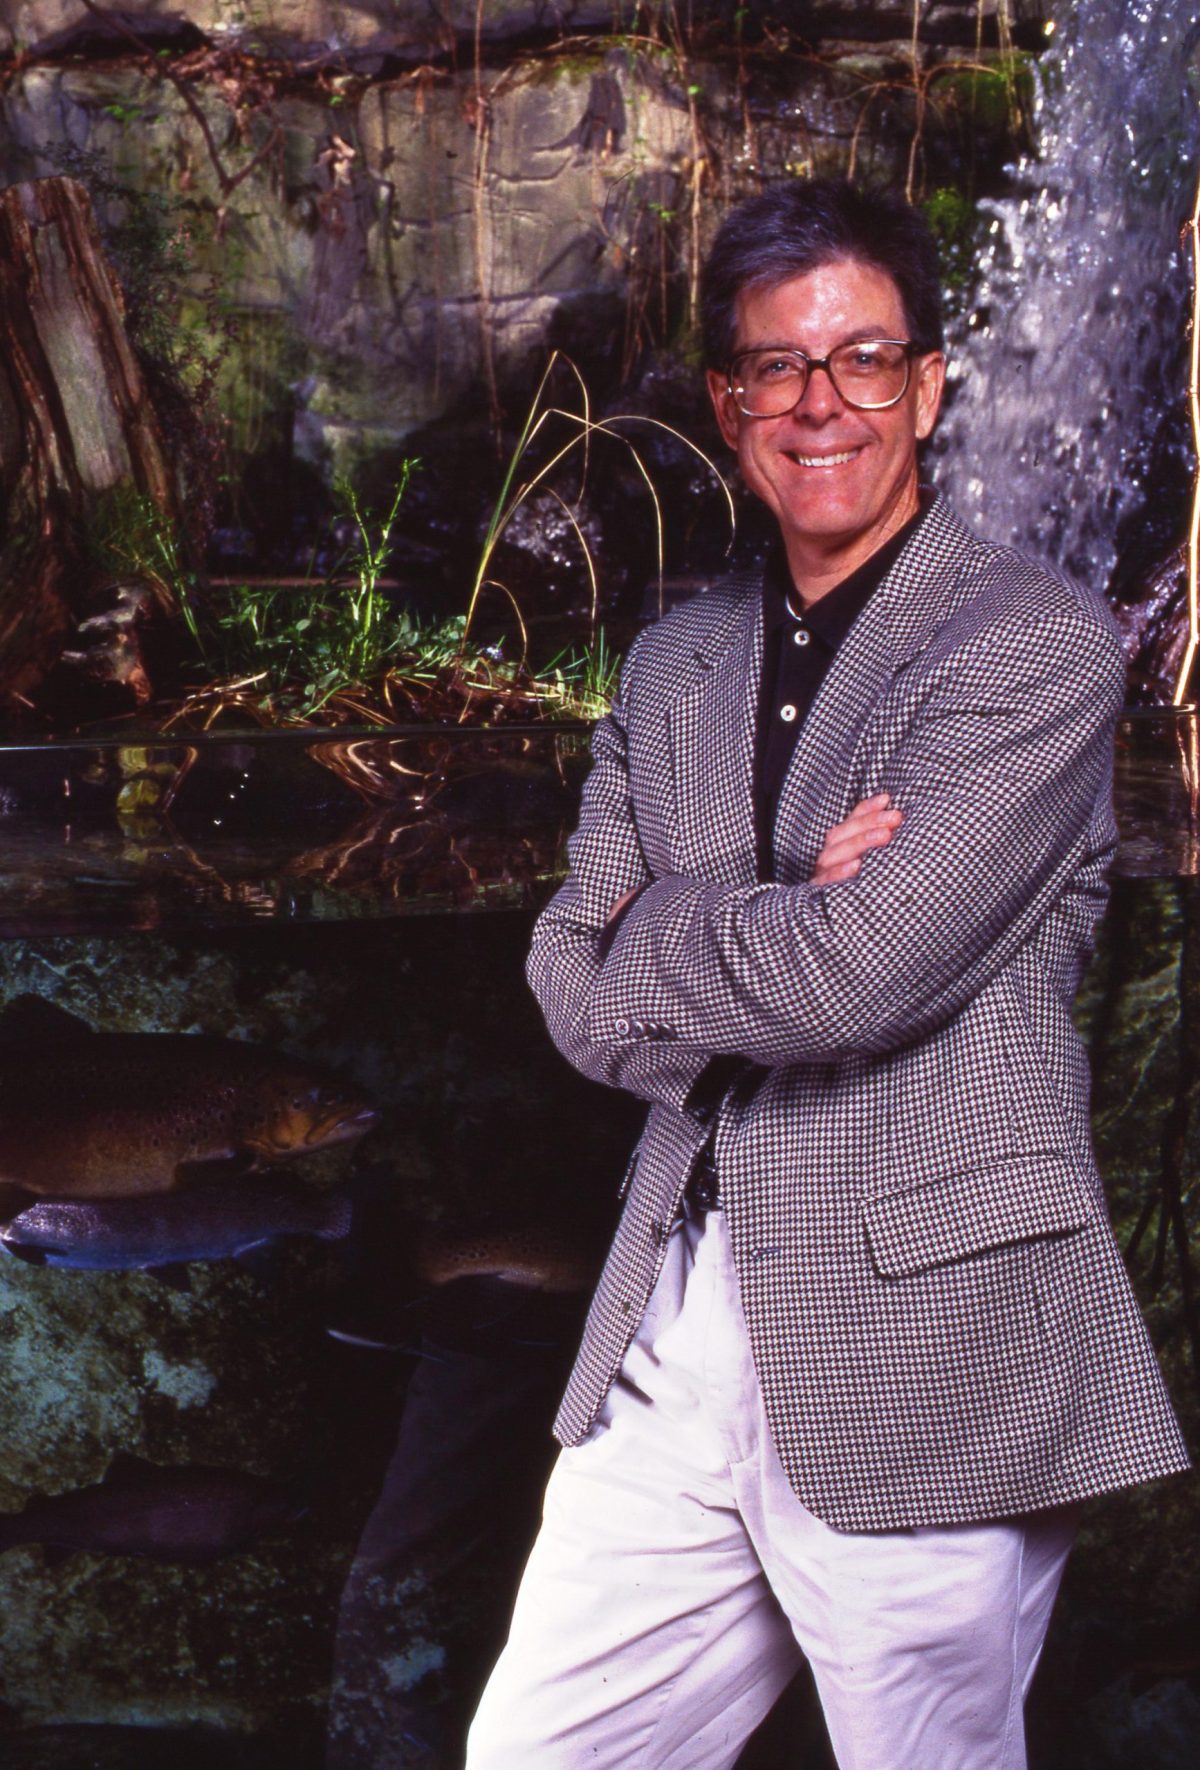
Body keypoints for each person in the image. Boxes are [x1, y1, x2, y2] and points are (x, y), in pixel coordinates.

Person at [465, 179, 1189, 1770]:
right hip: (678, 1319)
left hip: (924, 1333)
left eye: (863, 359)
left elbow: (855, 976)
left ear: (930, 383)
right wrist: (768, 892)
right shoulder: (671, 665)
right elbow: (565, 987)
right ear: (730, 403)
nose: (820, 404)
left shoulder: (1032, 648)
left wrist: (664, 922)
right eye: (777, 368)